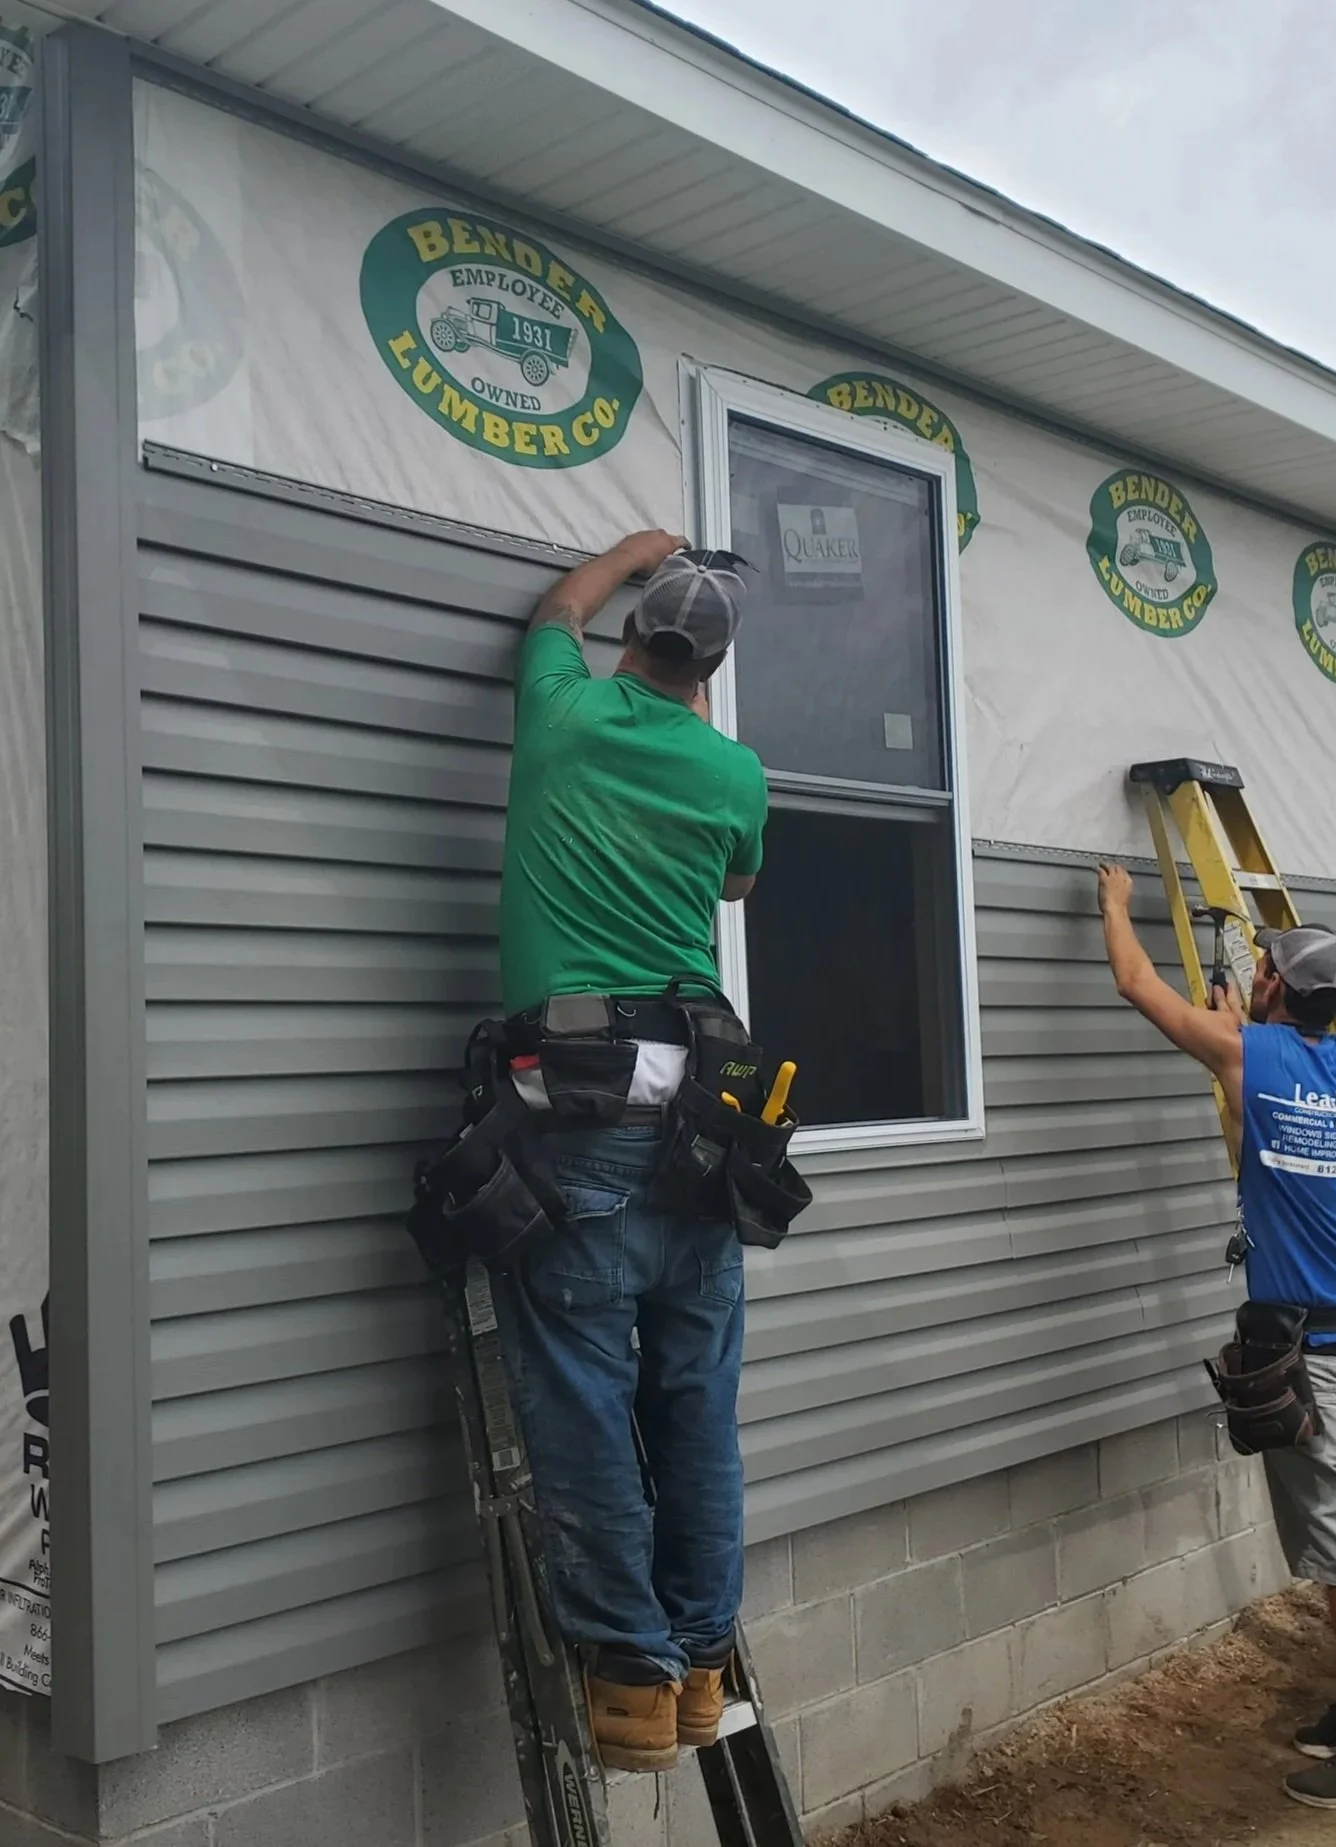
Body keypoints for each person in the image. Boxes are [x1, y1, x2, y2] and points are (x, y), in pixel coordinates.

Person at [495, 529, 769, 1773]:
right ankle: (703, 1656)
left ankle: (632, 1671)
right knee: (696, 1395)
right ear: (708, 666)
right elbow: (739, 888)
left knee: (585, 1395)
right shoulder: (732, 773)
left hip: (584, 1114)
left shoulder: (559, 716)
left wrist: (633, 551)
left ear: (628, 638)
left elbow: (552, 607)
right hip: (703, 1114)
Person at [1096, 865, 1336, 1826]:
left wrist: (1116, 906)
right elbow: (1283, 1083)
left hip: (1322, 1357)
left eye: (1263, 974)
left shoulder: (1247, 1054)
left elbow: (1135, 985)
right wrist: (1244, 1025)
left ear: (1275, 989)